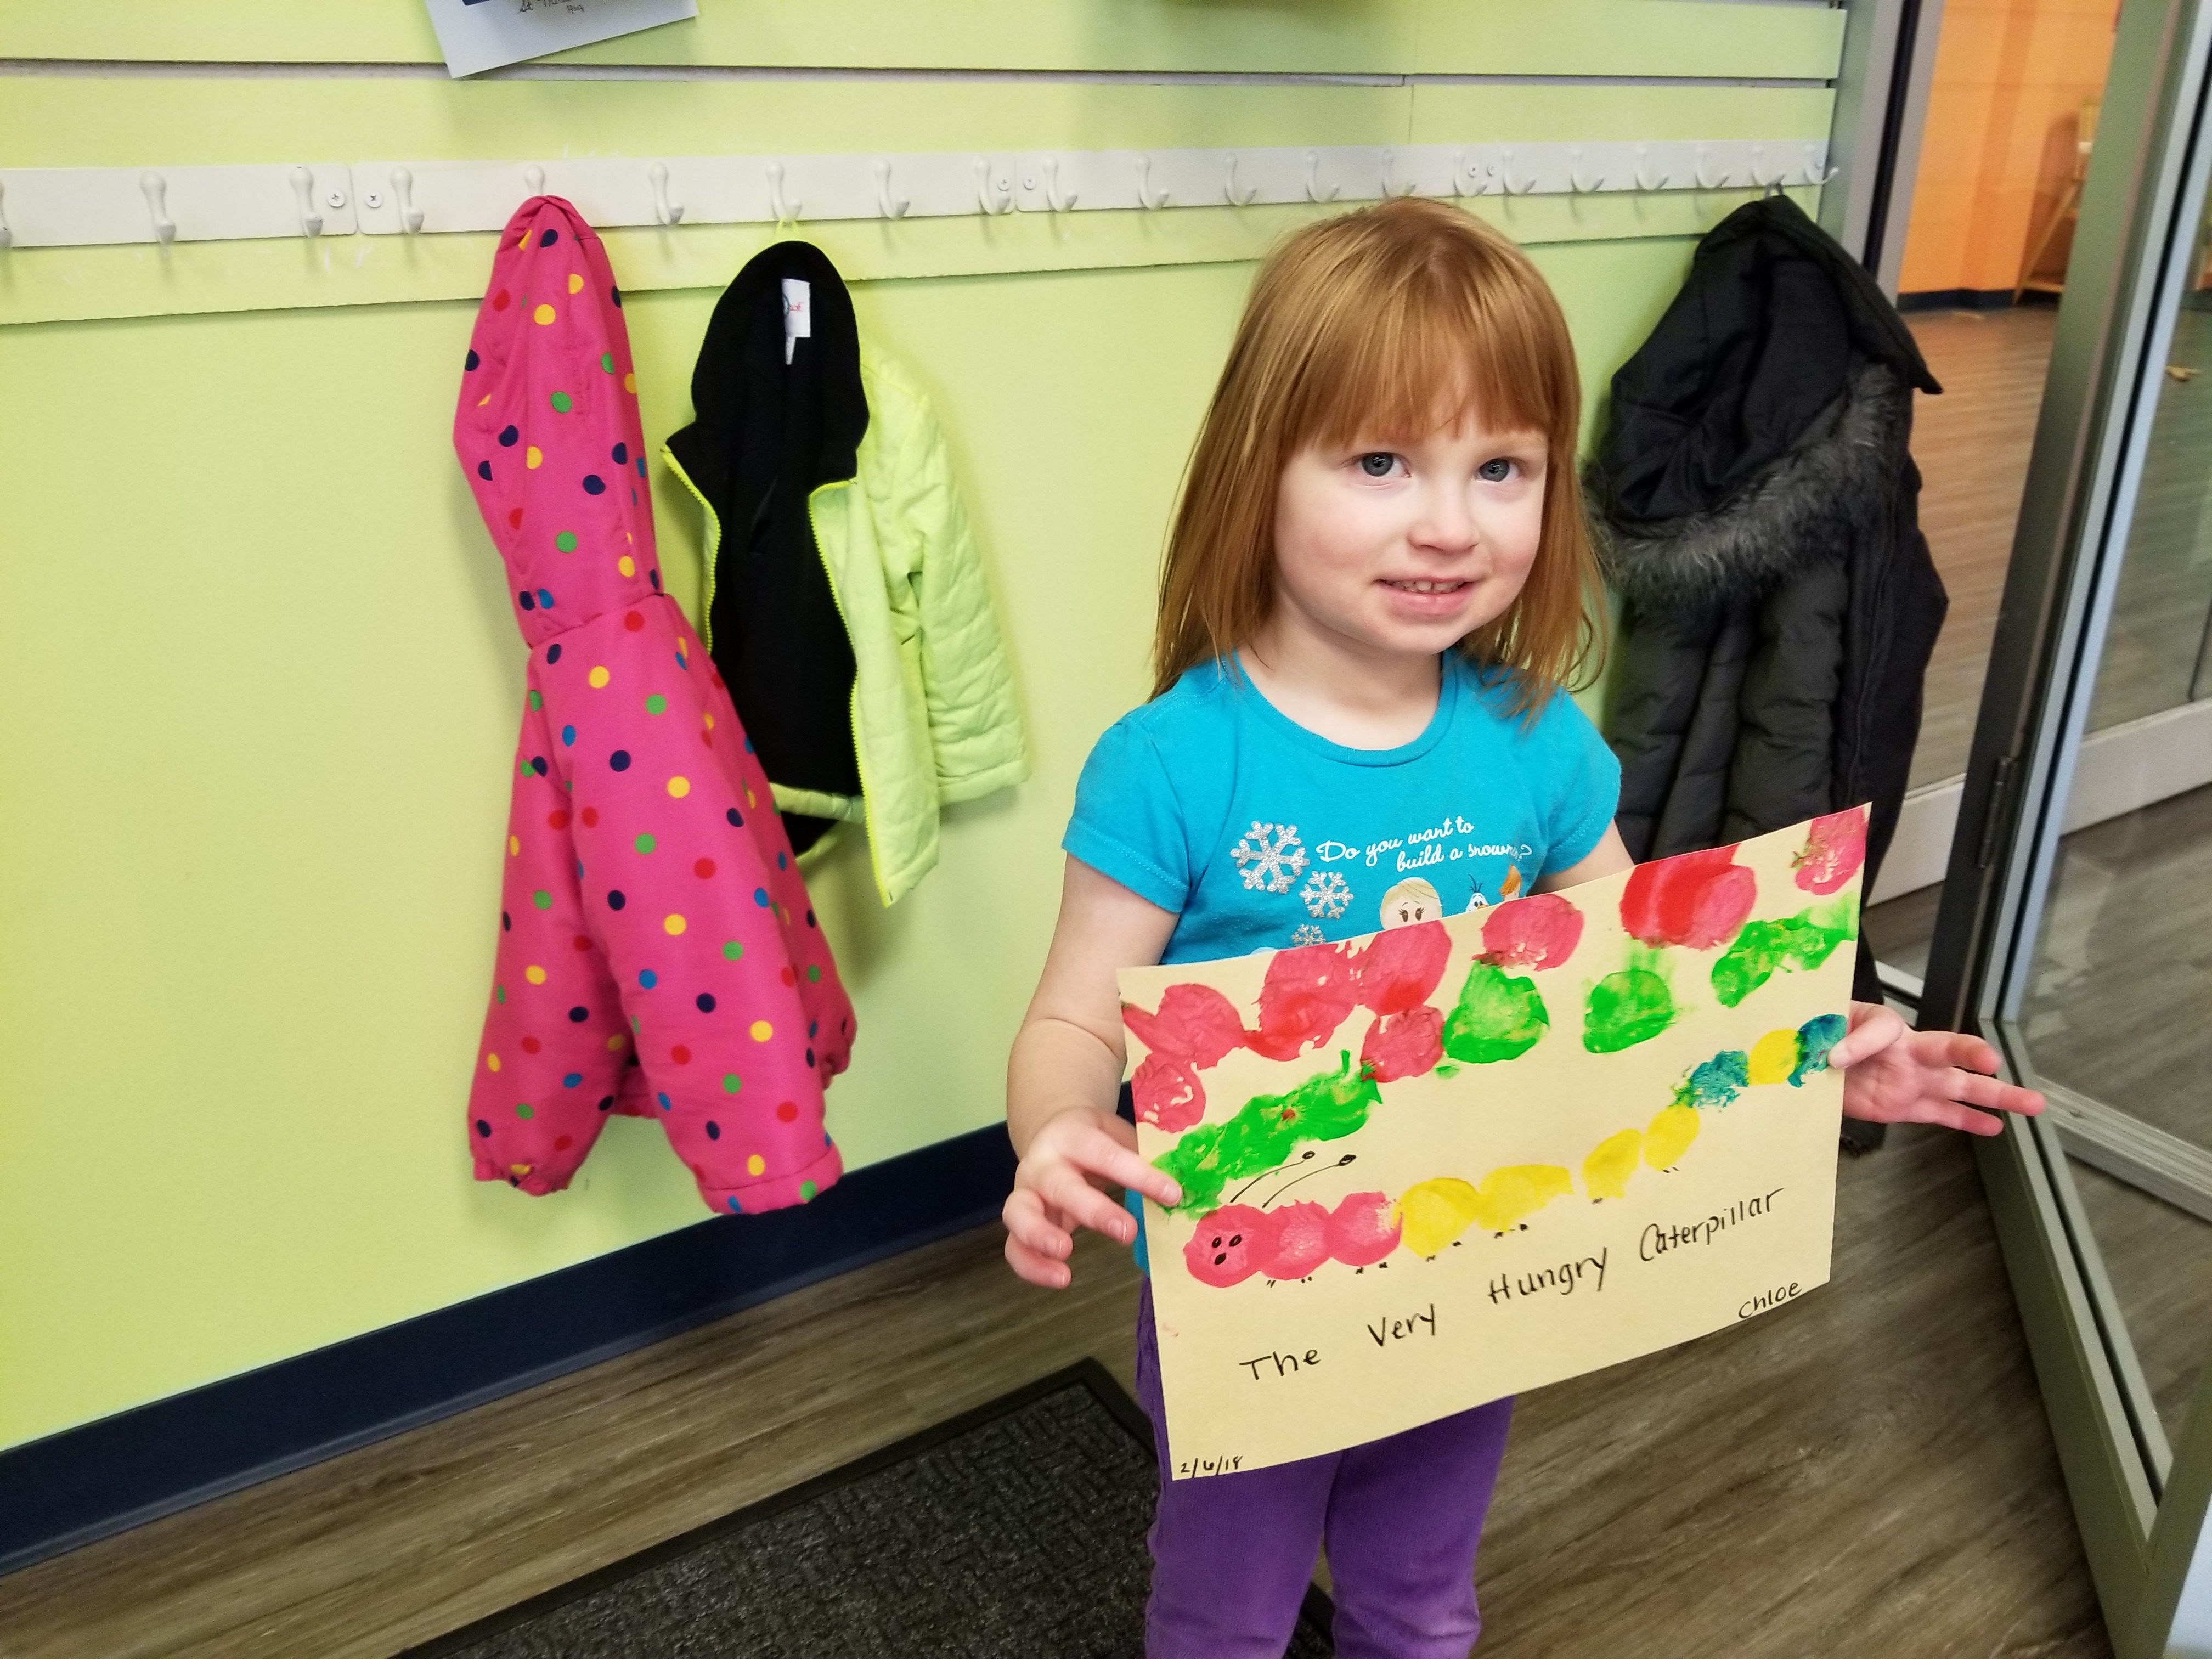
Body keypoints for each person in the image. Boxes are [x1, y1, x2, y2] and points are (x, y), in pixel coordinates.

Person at [1000, 197, 2043, 1659]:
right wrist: (1053, 1132)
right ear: (1261, 471)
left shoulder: (1539, 746)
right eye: (1379, 462)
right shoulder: (1174, 763)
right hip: (1254, 1293)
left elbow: (1640, 981)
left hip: (1467, 1274)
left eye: (1503, 467)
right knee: (1222, 1614)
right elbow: (1067, 1019)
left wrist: (1812, 1054)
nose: (1448, 521)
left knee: (1423, 1602)